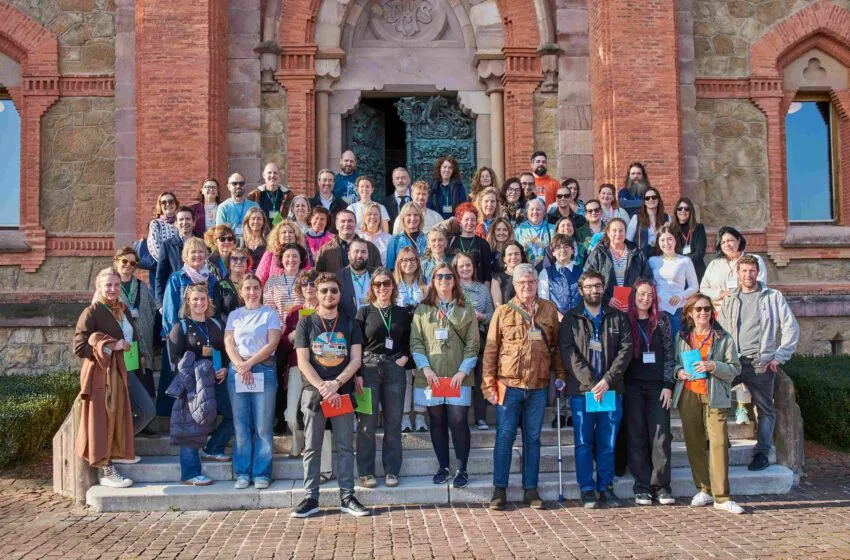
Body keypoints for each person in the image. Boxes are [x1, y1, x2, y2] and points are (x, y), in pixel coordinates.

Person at [483, 263, 566, 510]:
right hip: (509, 386)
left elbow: (557, 348)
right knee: (504, 438)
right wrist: (488, 386)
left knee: (533, 439)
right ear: (515, 285)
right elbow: (490, 351)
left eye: (531, 282)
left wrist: (560, 374)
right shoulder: (503, 313)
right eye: (522, 283)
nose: (527, 286)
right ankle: (500, 490)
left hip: (538, 386)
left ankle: (531, 489)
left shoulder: (549, 310)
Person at [293, 273, 369, 518]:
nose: (329, 295)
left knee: (346, 446)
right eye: (324, 290)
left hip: (342, 392)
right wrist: (323, 387)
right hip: (314, 393)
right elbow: (303, 361)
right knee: (313, 446)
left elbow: (356, 359)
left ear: (340, 293)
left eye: (333, 290)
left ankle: (347, 496)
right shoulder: (306, 323)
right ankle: (310, 498)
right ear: (316, 292)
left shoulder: (350, 323)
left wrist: (336, 384)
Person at [718, 255, 799, 471]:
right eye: (743, 271)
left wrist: (779, 356)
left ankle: (762, 453)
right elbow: (720, 331)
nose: (748, 275)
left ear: (757, 272)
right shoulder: (730, 299)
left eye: (751, 270)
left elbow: (791, 327)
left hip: (760, 363)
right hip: (733, 362)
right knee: (717, 400)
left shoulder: (772, 297)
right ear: (738, 273)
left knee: (766, 410)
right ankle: (719, 443)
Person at [559, 270, 632, 509]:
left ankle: (606, 487)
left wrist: (607, 381)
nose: (594, 290)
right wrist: (592, 384)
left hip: (611, 390)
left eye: (598, 286)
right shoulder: (571, 318)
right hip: (583, 392)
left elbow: (625, 351)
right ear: (581, 290)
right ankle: (587, 488)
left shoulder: (617, 317)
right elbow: (569, 354)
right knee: (583, 442)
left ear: (604, 288)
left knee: (608, 442)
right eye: (589, 286)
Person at [74, 268, 149, 488]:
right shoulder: (92, 312)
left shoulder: (122, 309)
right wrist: (109, 347)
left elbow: (130, 336)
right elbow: (79, 347)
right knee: (104, 419)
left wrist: (137, 356)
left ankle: (118, 447)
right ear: (99, 287)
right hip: (105, 375)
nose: (113, 289)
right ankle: (106, 469)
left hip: (127, 369)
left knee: (146, 411)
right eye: (108, 285)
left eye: (116, 285)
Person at [672, 294, 744, 514]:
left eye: (706, 309)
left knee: (719, 443)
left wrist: (713, 365)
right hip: (689, 394)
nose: (703, 313)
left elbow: (735, 368)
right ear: (690, 314)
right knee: (694, 442)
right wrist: (679, 372)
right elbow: (674, 362)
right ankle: (704, 488)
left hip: (715, 395)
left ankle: (722, 496)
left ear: (712, 313)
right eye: (698, 309)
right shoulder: (683, 337)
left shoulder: (724, 338)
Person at [409, 263, 479, 488]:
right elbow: (416, 341)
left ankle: (462, 468)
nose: (444, 280)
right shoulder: (423, 309)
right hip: (432, 376)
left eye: (448, 276)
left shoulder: (466, 308)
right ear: (433, 280)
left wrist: (463, 370)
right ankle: (443, 466)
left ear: (454, 280)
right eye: (439, 276)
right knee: (437, 421)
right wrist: (425, 368)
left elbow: (473, 343)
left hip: (458, 375)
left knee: (458, 421)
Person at [166, 284, 231, 485]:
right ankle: (190, 474)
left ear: (208, 301)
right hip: (192, 384)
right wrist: (192, 376)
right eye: (195, 299)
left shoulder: (216, 324)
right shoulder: (180, 327)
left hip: (216, 380)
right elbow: (174, 359)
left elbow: (224, 350)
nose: (199, 303)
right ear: (188, 302)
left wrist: (225, 368)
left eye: (203, 299)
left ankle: (213, 447)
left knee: (233, 415)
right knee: (190, 428)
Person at [354, 270, 412, 489]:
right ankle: (366, 472)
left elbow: (409, 339)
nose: (382, 288)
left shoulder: (402, 312)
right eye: (377, 284)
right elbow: (356, 344)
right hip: (368, 369)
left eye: (386, 283)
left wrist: (405, 357)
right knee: (367, 424)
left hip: (394, 370)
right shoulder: (364, 311)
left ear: (393, 286)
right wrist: (357, 373)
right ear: (372, 288)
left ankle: (391, 470)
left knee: (393, 422)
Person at [224, 274, 281, 490]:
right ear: (241, 291)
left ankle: (261, 473)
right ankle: (242, 473)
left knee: (263, 426)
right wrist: (240, 364)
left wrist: (249, 364)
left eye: (255, 287)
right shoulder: (234, 316)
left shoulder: (270, 314)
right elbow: (229, 343)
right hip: (238, 370)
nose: (252, 292)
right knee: (241, 425)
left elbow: (272, 344)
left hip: (263, 370)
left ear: (261, 290)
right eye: (247, 288)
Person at [624, 280, 675, 506]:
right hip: (632, 386)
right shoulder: (625, 320)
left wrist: (668, 384)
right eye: (641, 294)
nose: (645, 298)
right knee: (636, 436)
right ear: (634, 295)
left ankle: (661, 486)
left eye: (649, 295)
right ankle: (642, 487)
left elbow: (669, 353)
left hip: (658, 387)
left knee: (661, 436)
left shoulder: (662, 320)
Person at [277, 269, 319, 454]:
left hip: (321, 367)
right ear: (299, 289)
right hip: (296, 366)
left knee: (315, 411)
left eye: (313, 283)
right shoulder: (294, 312)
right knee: (292, 415)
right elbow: (283, 343)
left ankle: (310, 447)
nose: (309, 287)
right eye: (305, 284)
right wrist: (293, 335)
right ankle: (298, 442)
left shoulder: (327, 309)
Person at [454, 252, 494, 431]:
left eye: (468, 265)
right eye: (461, 266)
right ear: (456, 268)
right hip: (457, 338)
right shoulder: (452, 288)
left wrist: (482, 316)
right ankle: (457, 418)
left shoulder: (482, 289)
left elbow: (492, 313)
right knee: (459, 377)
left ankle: (480, 418)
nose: (465, 268)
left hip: (479, 337)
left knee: (479, 378)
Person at [114, 247, 158, 400]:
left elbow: (152, 310)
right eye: (124, 261)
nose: (128, 265)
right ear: (116, 262)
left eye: (132, 263)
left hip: (144, 346)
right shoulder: (109, 287)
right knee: (125, 392)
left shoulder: (142, 286)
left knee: (144, 393)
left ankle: (144, 423)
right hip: (122, 347)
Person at [393, 246, 429, 433]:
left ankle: (421, 416)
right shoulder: (393, 284)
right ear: (399, 263)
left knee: (421, 375)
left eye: (412, 260)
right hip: (401, 335)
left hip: (422, 334)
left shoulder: (426, 284)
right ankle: (406, 416)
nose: (409, 263)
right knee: (406, 377)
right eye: (404, 260)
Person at [584, 217, 649, 305]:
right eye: (614, 230)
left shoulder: (637, 253)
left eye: (621, 230)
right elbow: (588, 277)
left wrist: (637, 296)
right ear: (608, 232)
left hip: (632, 304)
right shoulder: (599, 252)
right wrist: (606, 298)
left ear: (625, 233)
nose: (618, 234)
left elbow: (646, 278)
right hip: (606, 304)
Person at [648, 225, 699, 337]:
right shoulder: (652, 261)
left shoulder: (685, 261)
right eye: (662, 240)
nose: (666, 243)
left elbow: (694, 286)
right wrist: (654, 294)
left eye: (670, 239)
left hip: (678, 310)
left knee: (677, 342)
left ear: (676, 240)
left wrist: (681, 296)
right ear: (658, 242)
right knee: (660, 345)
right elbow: (649, 283)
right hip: (659, 308)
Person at [700, 226, 767, 311]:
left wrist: (737, 295)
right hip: (719, 312)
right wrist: (720, 294)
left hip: (746, 310)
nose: (727, 245)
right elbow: (703, 289)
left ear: (738, 240)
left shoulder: (754, 260)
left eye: (730, 241)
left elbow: (760, 285)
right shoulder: (714, 264)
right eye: (723, 242)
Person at [316, 210, 383, 272]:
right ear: (336, 225)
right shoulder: (325, 250)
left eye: (350, 221)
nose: (347, 224)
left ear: (355, 224)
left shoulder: (370, 248)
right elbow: (320, 276)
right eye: (343, 221)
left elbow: (379, 273)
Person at [538, 234, 582, 320]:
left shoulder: (583, 272)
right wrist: (561, 318)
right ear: (553, 252)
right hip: (555, 321)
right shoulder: (545, 273)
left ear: (572, 250)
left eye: (566, 247)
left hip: (580, 320)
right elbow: (544, 301)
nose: (562, 250)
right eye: (558, 248)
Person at [448, 202, 493, 284]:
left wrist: (486, 290)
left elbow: (487, 272)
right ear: (460, 222)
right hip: (454, 287)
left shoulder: (483, 244)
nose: (470, 223)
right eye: (466, 219)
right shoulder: (451, 242)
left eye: (473, 220)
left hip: (477, 288)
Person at [263, 242, 308, 323]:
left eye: (295, 256)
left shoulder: (308, 279)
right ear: (281, 259)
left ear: (300, 260)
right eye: (287, 256)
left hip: (303, 326)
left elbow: (312, 305)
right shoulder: (272, 281)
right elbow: (268, 309)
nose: (291, 260)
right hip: (278, 328)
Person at [255, 220, 307, 285]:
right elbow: (260, 278)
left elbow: (307, 275)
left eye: (290, 232)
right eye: (284, 232)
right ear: (278, 237)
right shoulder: (270, 253)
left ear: (296, 235)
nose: (287, 235)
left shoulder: (302, 253)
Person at [669, 197, 707, 282]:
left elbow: (700, 252)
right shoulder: (671, 229)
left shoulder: (698, 228)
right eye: (680, 208)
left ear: (691, 212)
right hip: (677, 271)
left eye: (686, 209)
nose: (683, 211)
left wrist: (681, 260)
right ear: (676, 211)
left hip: (696, 270)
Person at [336, 238, 374, 321]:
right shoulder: (338, 277)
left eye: (363, 252)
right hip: (349, 325)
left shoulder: (376, 274)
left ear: (368, 254)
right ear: (349, 255)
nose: (360, 255)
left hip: (374, 325)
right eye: (356, 251)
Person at [626, 186, 669, 257]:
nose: (651, 199)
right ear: (644, 202)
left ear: (658, 200)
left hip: (662, 254)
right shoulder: (636, 218)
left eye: (654, 197)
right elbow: (628, 240)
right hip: (642, 256)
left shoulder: (667, 218)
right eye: (647, 198)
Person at [514, 198, 556, 268]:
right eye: (532, 209)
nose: (535, 212)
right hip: (525, 269)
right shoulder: (519, 230)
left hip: (547, 269)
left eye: (538, 209)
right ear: (527, 212)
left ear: (544, 212)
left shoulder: (553, 229)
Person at [386, 202, 428, 270]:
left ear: (420, 218)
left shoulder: (428, 239)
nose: (412, 218)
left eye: (416, 215)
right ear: (403, 218)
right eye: (408, 215)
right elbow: (390, 268)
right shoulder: (395, 240)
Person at [216, 246, 250, 321]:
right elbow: (218, 313)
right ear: (229, 263)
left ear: (247, 263)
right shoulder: (221, 285)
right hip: (229, 328)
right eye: (234, 259)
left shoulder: (253, 284)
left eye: (243, 258)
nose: (238, 262)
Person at [427, 155, 467, 220]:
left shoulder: (459, 186)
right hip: (436, 222)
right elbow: (429, 206)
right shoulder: (432, 186)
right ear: (440, 168)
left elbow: (462, 206)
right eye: (444, 167)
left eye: (450, 168)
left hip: (454, 223)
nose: (447, 170)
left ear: (453, 171)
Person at [146, 191, 180, 263]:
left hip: (182, 266)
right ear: (160, 206)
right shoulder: (155, 223)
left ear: (176, 204)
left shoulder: (182, 222)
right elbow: (154, 247)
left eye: (171, 201)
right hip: (162, 267)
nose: (167, 204)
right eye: (164, 202)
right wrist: (169, 263)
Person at [491, 241, 526, 307]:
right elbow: (498, 308)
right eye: (509, 254)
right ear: (504, 258)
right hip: (506, 316)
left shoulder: (530, 276)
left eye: (516, 254)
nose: (513, 257)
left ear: (521, 256)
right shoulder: (497, 279)